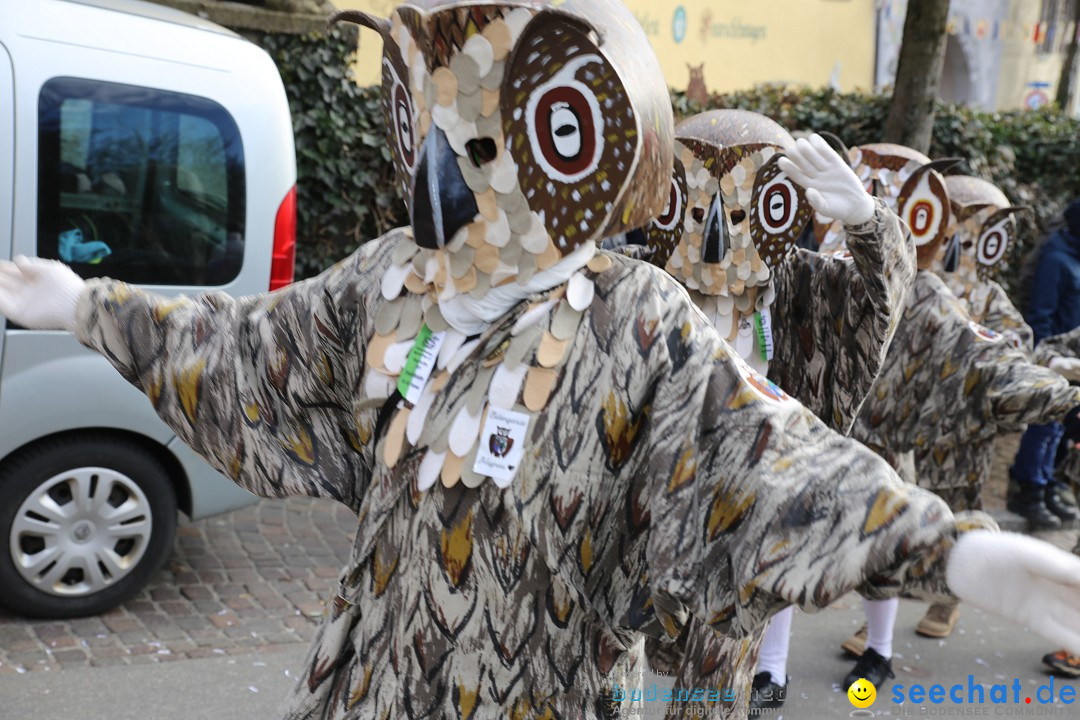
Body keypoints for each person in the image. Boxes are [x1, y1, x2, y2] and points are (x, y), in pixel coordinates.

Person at [3, 4, 1080, 719]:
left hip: (545, 689)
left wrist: (951, 552)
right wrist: (92, 307)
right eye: (431, 116)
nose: (453, 162)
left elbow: (771, 451)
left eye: (501, 131)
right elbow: (251, 350)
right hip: (375, 677)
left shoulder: (635, 318)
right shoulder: (390, 281)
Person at [632, 110, 916, 714]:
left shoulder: (797, 287)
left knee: (718, 669)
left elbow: (882, 303)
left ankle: (770, 672)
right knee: (615, 661)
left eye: (738, 214)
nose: (717, 235)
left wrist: (869, 224)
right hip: (651, 498)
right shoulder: (643, 284)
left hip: (749, 488)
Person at [814, 144, 1080, 693]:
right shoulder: (877, 286)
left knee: (952, 517)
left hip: (963, 432)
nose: (958, 248)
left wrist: (1051, 378)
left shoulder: (975, 297)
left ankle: (942, 603)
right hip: (890, 431)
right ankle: (882, 617)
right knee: (898, 524)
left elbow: (1007, 352)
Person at [1009, 199, 1080, 528]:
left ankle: (1047, 480)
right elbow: (1041, 313)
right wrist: (1046, 358)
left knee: (1062, 427)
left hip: (1074, 359)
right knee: (1045, 425)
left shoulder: (1075, 257)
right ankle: (1028, 488)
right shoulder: (1056, 257)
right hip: (1053, 357)